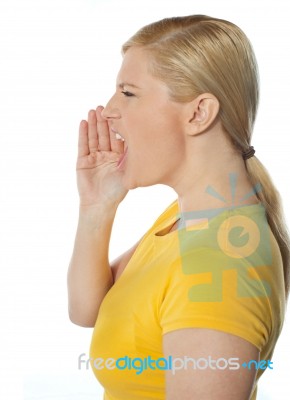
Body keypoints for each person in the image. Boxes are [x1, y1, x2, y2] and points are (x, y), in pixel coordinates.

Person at [67, 15, 289, 400]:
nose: (108, 110)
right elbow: (87, 310)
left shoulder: (221, 265)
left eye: (129, 93)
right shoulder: (189, 218)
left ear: (198, 113)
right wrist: (97, 206)